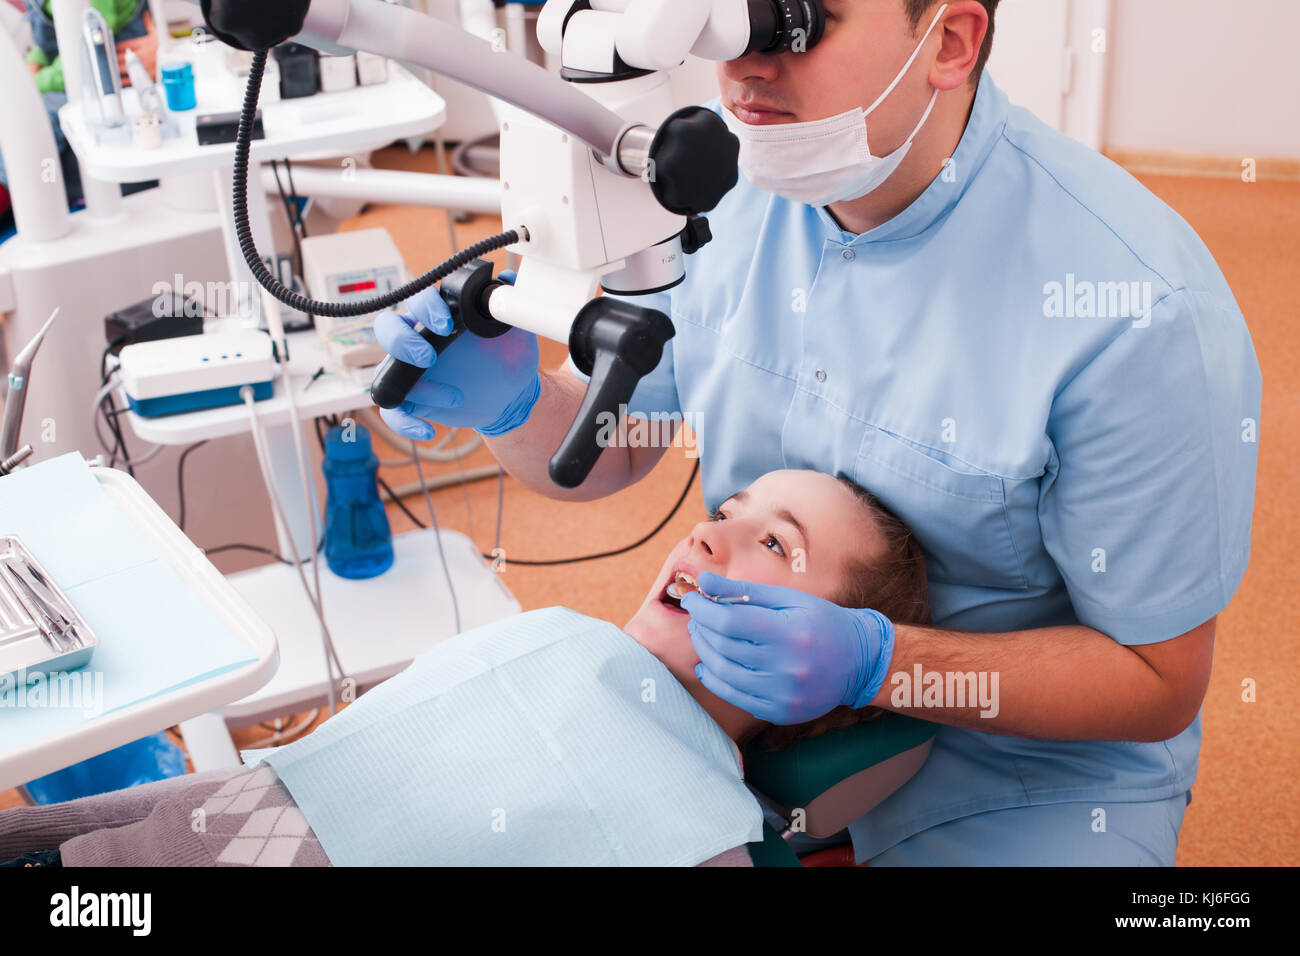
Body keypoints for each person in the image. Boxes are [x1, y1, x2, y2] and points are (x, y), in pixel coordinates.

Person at [373, 0, 1261, 865]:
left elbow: (1156, 683)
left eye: (797, 20)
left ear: (948, 39)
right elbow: (622, 439)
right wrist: (515, 406)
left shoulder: (1135, 311)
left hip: (1024, 773)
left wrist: (881, 668)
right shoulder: (715, 198)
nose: (746, 63)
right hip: (745, 712)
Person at [0, 469, 930, 866]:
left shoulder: (701, 837)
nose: (709, 529)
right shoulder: (545, 638)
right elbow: (277, 783)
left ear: (821, 671)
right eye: (730, 504)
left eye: (773, 540)